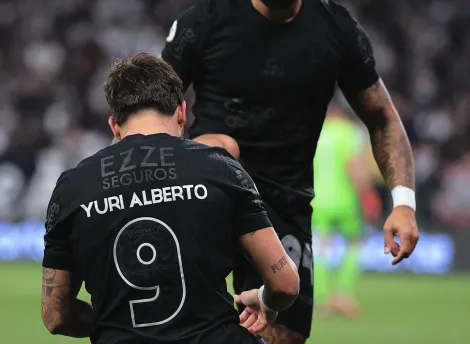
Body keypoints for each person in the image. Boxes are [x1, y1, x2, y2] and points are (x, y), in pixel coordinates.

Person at [161, 0, 420, 342]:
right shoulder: (205, 21)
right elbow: (152, 111)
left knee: (283, 335)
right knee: (182, 328)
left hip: (284, 205)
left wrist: (403, 202)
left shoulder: (336, 28)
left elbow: (381, 117)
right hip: (204, 192)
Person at [40, 52, 300, 344]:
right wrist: (265, 299)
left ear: (114, 125)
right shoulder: (220, 168)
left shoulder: (72, 188)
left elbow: (55, 317)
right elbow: (285, 284)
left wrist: (112, 321)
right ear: (181, 112)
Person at [311, 105, 382, 318]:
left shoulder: (314, 131)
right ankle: (342, 294)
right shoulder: (350, 133)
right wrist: (368, 195)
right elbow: (354, 166)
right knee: (354, 242)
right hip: (345, 200)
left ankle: (321, 299)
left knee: (319, 248)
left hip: (316, 199)